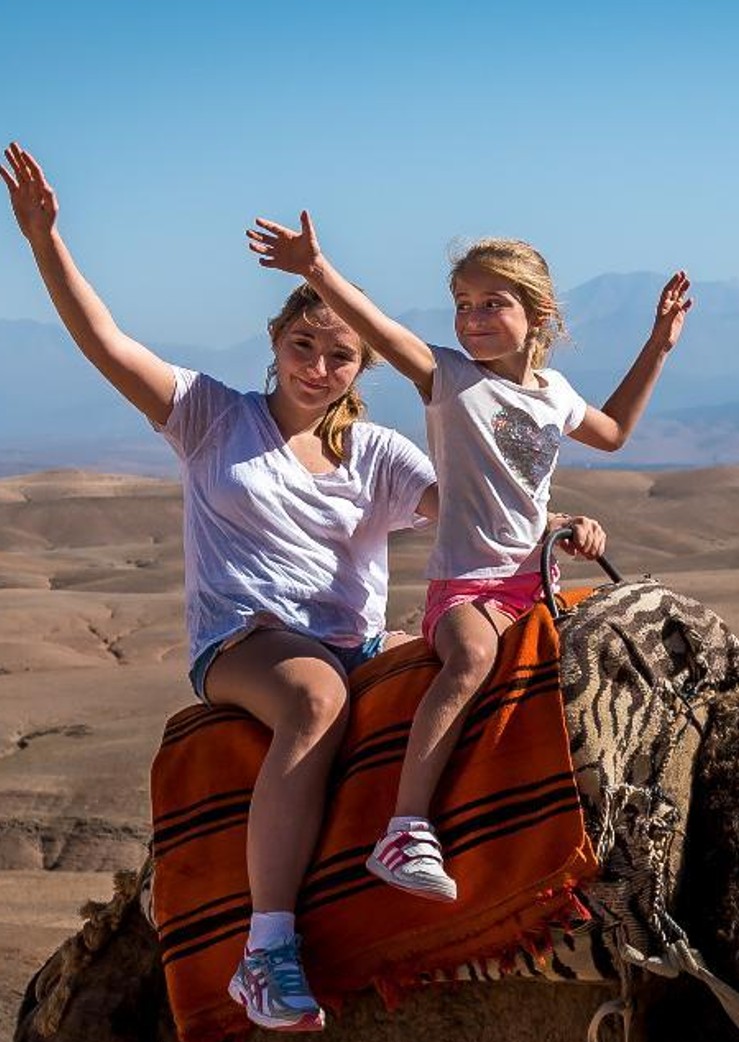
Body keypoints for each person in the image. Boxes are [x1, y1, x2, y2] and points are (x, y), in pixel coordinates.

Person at [1, 143, 441, 1034]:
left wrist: (554, 526)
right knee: (315, 697)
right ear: (274, 347)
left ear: (366, 368)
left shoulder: (381, 455)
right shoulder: (211, 416)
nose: (319, 366)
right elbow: (107, 343)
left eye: (341, 355)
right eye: (302, 346)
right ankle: (265, 950)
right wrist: (47, 244)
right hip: (246, 638)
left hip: (357, 637)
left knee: (463, 671)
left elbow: (468, 510)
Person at [246, 210, 692, 905]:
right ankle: (406, 828)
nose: (474, 318)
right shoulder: (449, 379)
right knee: (472, 659)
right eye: (462, 305)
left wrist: (659, 345)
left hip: (533, 580)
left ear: (538, 313)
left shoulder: (555, 394)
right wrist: (315, 272)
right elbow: (382, 328)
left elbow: (613, 433)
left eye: (492, 304)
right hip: (466, 589)